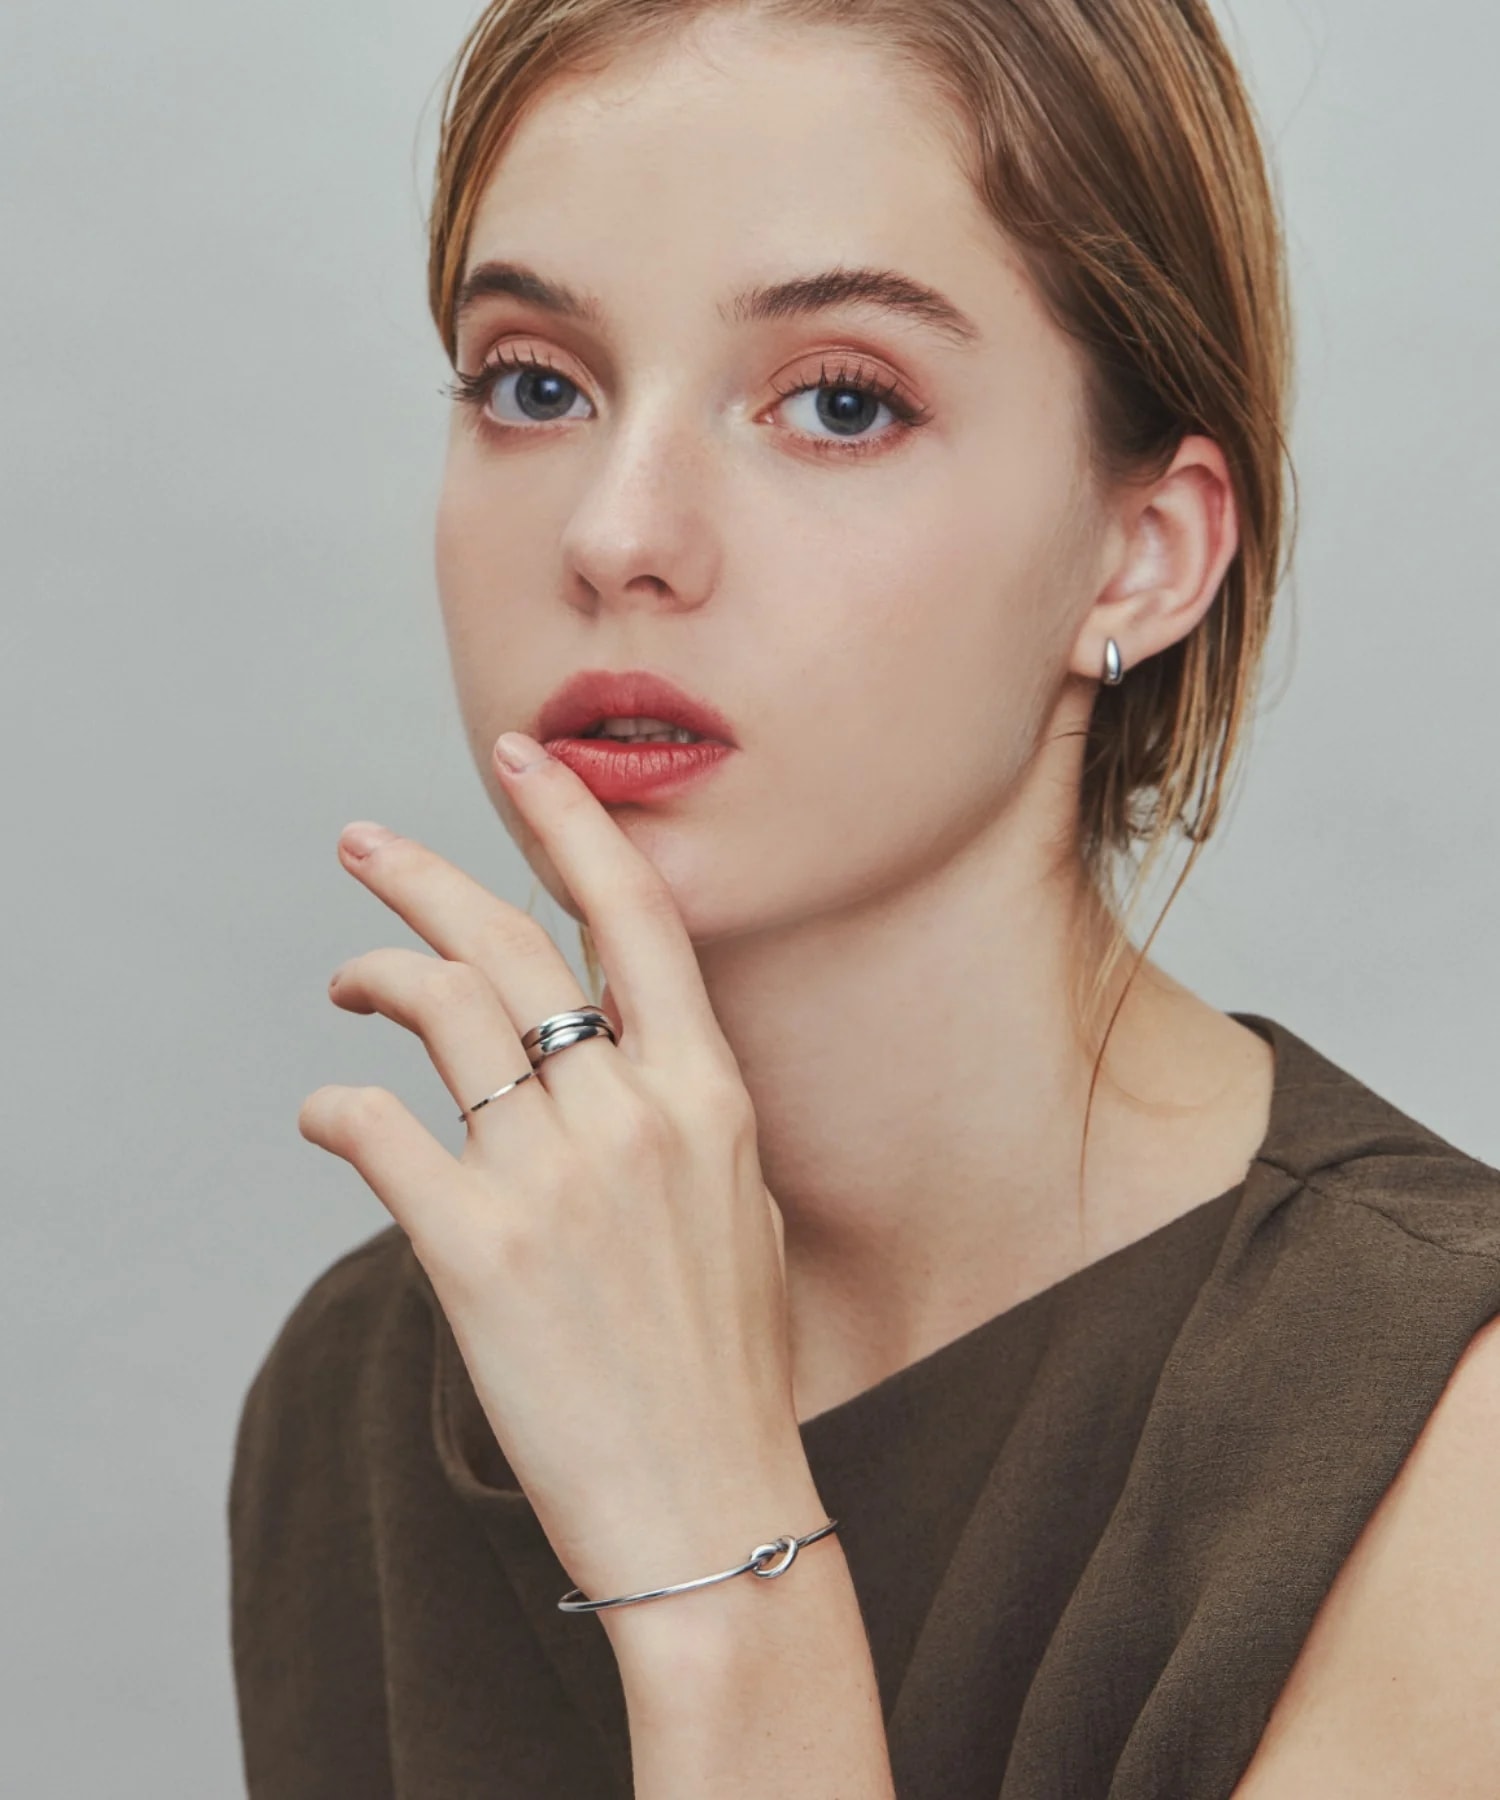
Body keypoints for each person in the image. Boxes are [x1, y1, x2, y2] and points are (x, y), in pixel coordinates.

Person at [228, 2, 1500, 1796]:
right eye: (534, 385)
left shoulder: (1439, 1431)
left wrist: (718, 1585)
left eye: (840, 403)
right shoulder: (367, 1386)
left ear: (1143, 553)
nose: (617, 532)